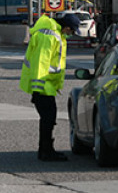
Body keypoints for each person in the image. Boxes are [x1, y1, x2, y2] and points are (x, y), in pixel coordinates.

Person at [20, 12, 81, 161]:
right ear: (66, 27)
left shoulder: (54, 34)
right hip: (43, 86)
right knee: (48, 118)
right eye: (72, 31)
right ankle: (46, 151)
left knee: (48, 118)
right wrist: (37, 89)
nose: (71, 34)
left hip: (46, 86)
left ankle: (46, 149)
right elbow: (41, 62)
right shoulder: (49, 36)